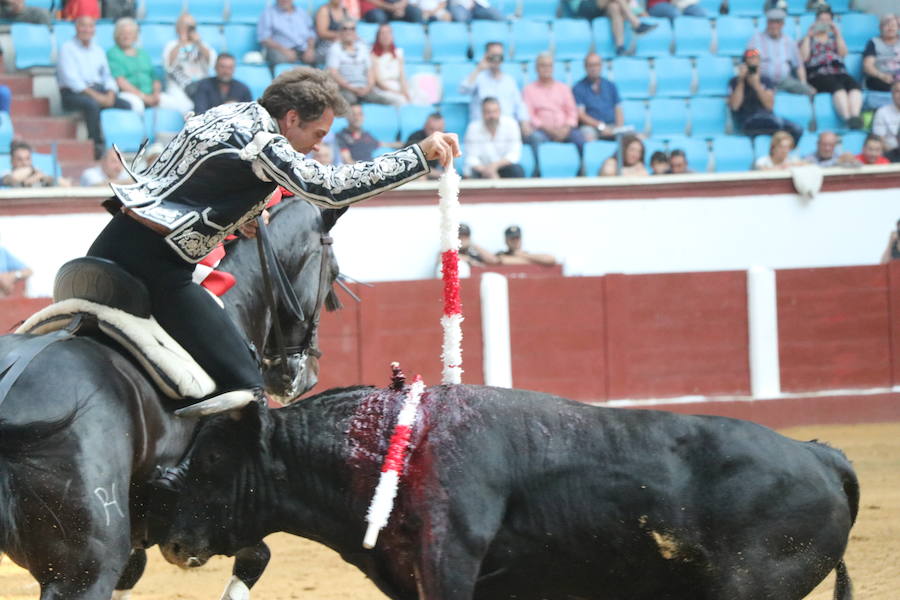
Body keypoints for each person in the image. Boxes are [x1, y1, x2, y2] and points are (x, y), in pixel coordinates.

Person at [86, 67, 458, 430]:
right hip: (157, 271)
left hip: (106, 247)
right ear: (291, 118)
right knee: (247, 388)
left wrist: (239, 215)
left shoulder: (227, 113)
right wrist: (419, 156)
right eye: (317, 134)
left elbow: (192, 182)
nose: (317, 146)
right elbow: (331, 187)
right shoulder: (264, 143)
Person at [57, 15, 131, 160]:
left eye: (90, 26)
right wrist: (98, 97)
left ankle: (121, 145)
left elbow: (107, 76)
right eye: (83, 25)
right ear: (76, 27)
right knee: (92, 105)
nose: (87, 30)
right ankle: (96, 145)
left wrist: (110, 93)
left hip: (99, 91)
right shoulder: (67, 49)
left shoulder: (98, 50)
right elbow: (73, 81)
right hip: (73, 94)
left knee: (126, 105)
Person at [799, 5, 863, 129]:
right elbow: (803, 58)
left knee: (854, 86)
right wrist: (808, 36)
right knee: (837, 87)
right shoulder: (807, 39)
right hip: (818, 74)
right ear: (815, 22)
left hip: (839, 72)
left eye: (827, 20)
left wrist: (837, 34)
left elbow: (843, 54)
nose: (824, 23)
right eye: (821, 20)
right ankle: (848, 119)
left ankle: (855, 116)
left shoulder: (834, 39)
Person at [728, 48, 803, 144]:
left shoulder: (766, 81)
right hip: (747, 119)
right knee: (776, 124)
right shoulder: (735, 81)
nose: (753, 67)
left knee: (796, 130)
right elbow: (734, 106)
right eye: (750, 63)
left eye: (755, 62)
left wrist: (757, 85)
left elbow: (769, 106)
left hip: (767, 117)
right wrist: (741, 81)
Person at [108, 18, 180, 115]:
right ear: (117, 35)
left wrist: (156, 94)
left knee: (174, 104)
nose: (126, 36)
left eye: (130, 33)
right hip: (128, 94)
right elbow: (120, 81)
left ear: (135, 36)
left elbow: (154, 77)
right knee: (138, 105)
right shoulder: (113, 53)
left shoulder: (143, 53)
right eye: (123, 33)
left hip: (150, 94)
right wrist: (144, 97)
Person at [460, 42, 531, 140]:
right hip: (482, 129)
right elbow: (463, 90)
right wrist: (478, 69)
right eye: (493, 55)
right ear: (487, 56)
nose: (496, 59)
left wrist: (524, 122)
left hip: (506, 130)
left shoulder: (509, 80)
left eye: (499, 56)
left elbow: (519, 104)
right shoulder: (479, 77)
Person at [522, 52, 585, 151]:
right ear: (536, 68)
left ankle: (583, 165)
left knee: (580, 137)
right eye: (543, 65)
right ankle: (538, 166)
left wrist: (566, 128)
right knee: (535, 138)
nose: (546, 68)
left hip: (565, 129)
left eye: (549, 65)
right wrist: (548, 130)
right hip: (542, 131)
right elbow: (530, 115)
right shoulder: (528, 90)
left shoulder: (563, 88)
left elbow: (572, 112)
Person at [747, 8, 815, 96]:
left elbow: (799, 65)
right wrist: (755, 78)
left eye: (777, 22)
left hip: (784, 81)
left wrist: (803, 82)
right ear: (767, 23)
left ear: (783, 24)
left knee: (810, 91)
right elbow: (749, 61)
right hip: (763, 80)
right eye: (771, 22)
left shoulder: (789, 41)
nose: (774, 26)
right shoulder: (756, 40)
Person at [327, 19, 396, 105]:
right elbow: (334, 73)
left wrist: (368, 87)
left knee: (388, 102)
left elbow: (370, 71)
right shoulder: (335, 48)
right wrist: (351, 88)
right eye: (345, 28)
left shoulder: (362, 47)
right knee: (349, 101)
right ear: (340, 32)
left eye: (352, 29)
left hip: (364, 88)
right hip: (345, 89)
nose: (349, 31)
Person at [558, 0, 657, 57]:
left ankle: (620, 46)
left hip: (596, 6)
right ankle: (636, 24)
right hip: (582, 5)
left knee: (614, 7)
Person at [163, 13, 217, 115]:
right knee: (187, 108)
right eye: (185, 26)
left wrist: (199, 43)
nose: (189, 29)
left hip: (200, 87)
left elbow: (213, 62)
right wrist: (181, 42)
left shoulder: (203, 45)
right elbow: (168, 65)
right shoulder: (171, 45)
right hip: (179, 88)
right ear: (178, 28)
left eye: (191, 26)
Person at [463, 96, 525, 179]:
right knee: (469, 172)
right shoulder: (473, 128)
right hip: (481, 169)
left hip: (503, 166)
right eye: (488, 112)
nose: (492, 116)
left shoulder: (511, 125)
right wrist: (487, 171)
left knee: (517, 170)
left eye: (495, 111)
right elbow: (471, 158)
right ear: (482, 113)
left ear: (500, 111)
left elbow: (514, 155)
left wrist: (494, 166)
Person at [573, 52, 624, 142]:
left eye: (596, 65)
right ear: (585, 67)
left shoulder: (610, 85)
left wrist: (618, 128)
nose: (594, 68)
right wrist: (601, 127)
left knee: (635, 139)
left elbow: (618, 109)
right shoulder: (578, 88)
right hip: (592, 128)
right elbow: (581, 115)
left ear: (601, 66)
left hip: (612, 126)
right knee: (587, 135)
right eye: (590, 65)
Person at [257, 0, 316, 70]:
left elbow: (311, 34)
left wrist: (310, 49)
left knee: (320, 55)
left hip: (303, 49)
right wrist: (284, 50)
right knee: (279, 57)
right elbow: (264, 38)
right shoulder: (268, 13)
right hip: (280, 50)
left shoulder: (302, 12)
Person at [862, 14, 900, 110]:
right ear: (880, 28)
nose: (890, 28)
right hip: (880, 78)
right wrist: (882, 76)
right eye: (886, 25)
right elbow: (868, 66)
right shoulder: (873, 42)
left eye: (893, 25)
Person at [370, 23, 410, 106]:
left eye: (388, 33)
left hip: (397, 85)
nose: (386, 36)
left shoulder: (398, 53)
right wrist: (397, 92)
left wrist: (404, 91)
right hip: (383, 90)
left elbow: (402, 76)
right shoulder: (372, 55)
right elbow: (378, 81)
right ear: (378, 37)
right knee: (401, 100)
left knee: (416, 97)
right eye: (382, 33)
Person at [1, 140, 71, 187]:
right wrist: (31, 171)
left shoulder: (39, 176)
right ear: (12, 161)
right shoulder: (6, 174)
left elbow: (66, 184)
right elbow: (10, 179)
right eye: (20, 159)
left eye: (27, 159)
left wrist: (43, 177)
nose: (24, 163)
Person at [404, 111, 446, 178]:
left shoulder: (446, 138)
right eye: (431, 129)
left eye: (439, 129)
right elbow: (413, 166)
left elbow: (450, 164)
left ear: (443, 128)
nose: (434, 133)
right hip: (417, 174)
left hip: (436, 173)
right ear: (425, 126)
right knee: (421, 177)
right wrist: (439, 174)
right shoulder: (415, 138)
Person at [314, 0, 352, 66]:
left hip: (342, 43)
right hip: (324, 46)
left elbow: (351, 28)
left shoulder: (345, 10)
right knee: (343, 55)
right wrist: (342, 35)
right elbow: (321, 32)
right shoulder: (324, 10)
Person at [871, 81, 900, 161]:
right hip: (891, 155)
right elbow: (879, 140)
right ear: (892, 94)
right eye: (897, 91)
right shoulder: (882, 112)